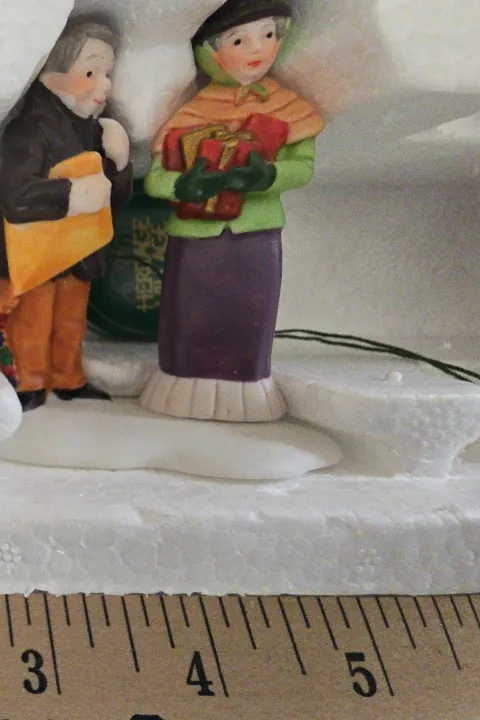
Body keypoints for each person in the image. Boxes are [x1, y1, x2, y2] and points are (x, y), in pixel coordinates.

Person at [139, 0, 323, 423]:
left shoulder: (289, 108)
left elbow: (303, 168)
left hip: (257, 232)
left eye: (269, 35)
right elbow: (156, 179)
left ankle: (247, 385)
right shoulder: (191, 112)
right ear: (210, 52)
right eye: (240, 41)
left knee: (250, 312)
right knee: (191, 314)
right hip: (195, 236)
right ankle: (182, 385)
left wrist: (266, 177)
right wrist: (184, 186)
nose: (258, 49)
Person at [0, 18, 134, 412]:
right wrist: (71, 195)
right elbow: (15, 195)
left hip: (78, 249)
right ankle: (26, 381)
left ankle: (68, 376)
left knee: (70, 320)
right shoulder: (28, 129)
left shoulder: (93, 130)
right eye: (91, 73)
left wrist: (119, 164)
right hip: (33, 252)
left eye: (107, 74)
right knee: (30, 320)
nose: (105, 85)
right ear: (52, 74)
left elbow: (113, 200)